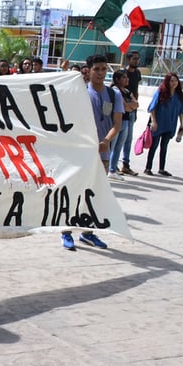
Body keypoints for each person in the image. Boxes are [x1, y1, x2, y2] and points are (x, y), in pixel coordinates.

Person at [61, 54, 122, 251]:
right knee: (74, 194)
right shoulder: (80, 93)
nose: (101, 73)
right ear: (89, 70)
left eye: (104, 69)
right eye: (97, 69)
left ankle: (88, 233)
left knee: (94, 195)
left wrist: (106, 141)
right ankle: (66, 231)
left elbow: (117, 124)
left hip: (102, 155)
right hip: (80, 155)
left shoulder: (114, 95)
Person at [144, 73, 183, 176]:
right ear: (167, 81)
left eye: (176, 81)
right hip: (159, 123)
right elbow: (152, 108)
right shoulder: (160, 92)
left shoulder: (179, 95)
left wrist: (181, 124)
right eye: (172, 81)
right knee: (154, 145)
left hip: (170, 124)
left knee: (164, 146)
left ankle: (161, 168)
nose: (174, 83)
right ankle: (148, 167)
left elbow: (181, 111)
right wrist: (153, 121)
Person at [107, 70, 138, 181]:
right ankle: (107, 168)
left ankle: (112, 170)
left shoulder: (127, 91)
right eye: (124, 77)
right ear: (117, 80)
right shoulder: (115, 91)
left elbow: (135, 104)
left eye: (127, 77)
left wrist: (130, 106)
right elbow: (124, 106)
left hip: (126, 121)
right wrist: (130, 106)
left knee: (118, 147)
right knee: (111, 146)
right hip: (116, 121)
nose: (127, 79)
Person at [120, 50, 142, 175]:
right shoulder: (124, 73)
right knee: (118, 138)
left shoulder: (137, 73)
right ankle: (113, 164)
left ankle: (125, 164)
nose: (136, 61)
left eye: (138, 58)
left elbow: (136, 91)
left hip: (133, 109)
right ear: (128, 60)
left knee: (128, 138)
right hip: (122, 109)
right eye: (134, 58)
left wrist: (136, 109)